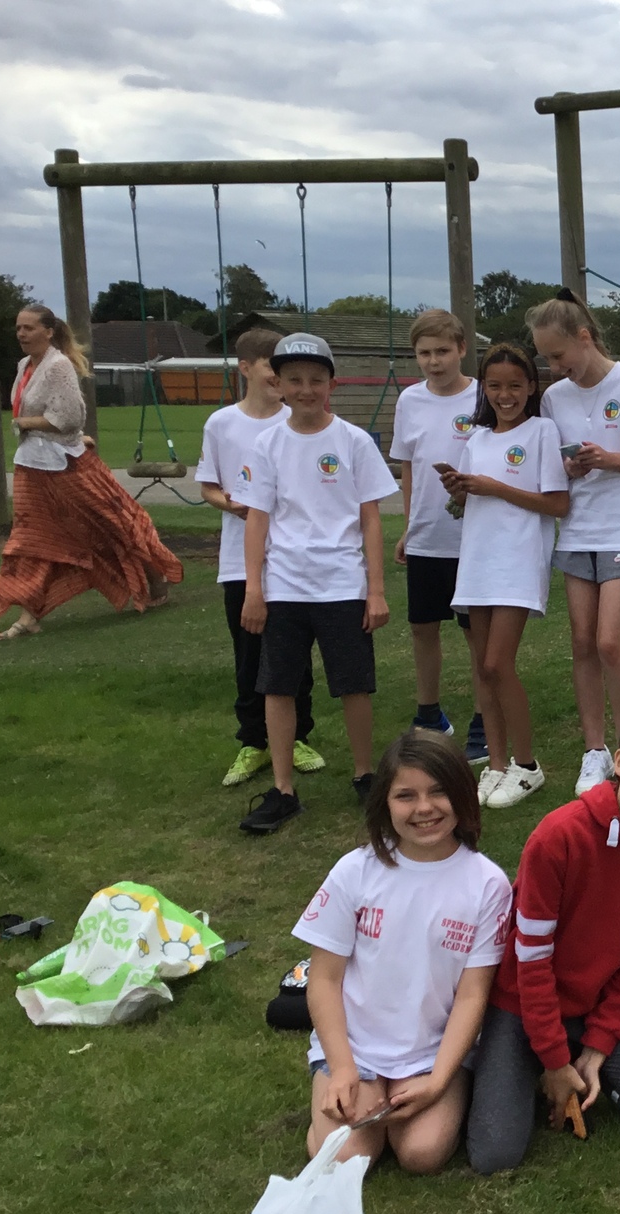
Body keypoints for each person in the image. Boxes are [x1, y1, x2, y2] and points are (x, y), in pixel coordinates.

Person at [466, 714, 620, 1174]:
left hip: (591, 1005)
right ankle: (497, 1059)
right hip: (520, 1004)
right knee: (495, 1154)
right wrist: (555, 1063)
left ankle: (572, 1061)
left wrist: (597, 1048)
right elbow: (531, 962)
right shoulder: (559, 835)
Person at [298, 732, 510, 1173]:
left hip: (431, 1052)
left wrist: (438, 1080)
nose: (424, 808)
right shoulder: (355, 871)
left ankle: (436, 1094)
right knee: (347, 1157)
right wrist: (343, 1069)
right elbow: (324, 980)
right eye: (406, 795)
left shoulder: (488, 884)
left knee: (421, 1153)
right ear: (385, 803)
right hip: (356, 1049)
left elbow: (473, 995)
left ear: (463, 795)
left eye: (438, 792)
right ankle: (336, 1097)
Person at [237, 333, 399, 834]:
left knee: (354, 683)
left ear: (332, 383)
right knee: (278, 685)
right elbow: (257, 519)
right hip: (284, 586)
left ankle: (365, 776)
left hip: (342, 584)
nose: (305, 390)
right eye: (294, 380)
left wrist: (375, 590)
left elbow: (370, 518)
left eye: (315, 380)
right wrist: (254, 588)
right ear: (279, 384)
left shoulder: (353, 441)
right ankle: (283, 790)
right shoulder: (267, 444)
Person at [529, 291, 620, 795]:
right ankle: (594, 751)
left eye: (558, 355)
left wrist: (608, 459)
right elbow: (557, 465)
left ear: (584, 337)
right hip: (577, 530)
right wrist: (571, 466)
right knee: (581, 642)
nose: (554, 368)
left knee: (610, 642)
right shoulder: (555, 397)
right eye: (547, 359)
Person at [0, 304, 183, 641]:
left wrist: (25, 423)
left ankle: (155, 575)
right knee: (34, 540)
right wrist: (39, 428)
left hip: (65, 465)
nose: (21, 334)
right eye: (18, 328)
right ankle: (29, 616)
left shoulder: (58, 366)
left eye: (28, 328)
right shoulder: (24, 366)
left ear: (48, 331)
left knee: (112, 524)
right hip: (31, 466)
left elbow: (68, 418)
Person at [439, 344, 571, 810]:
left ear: (532, 386)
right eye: (494, 386)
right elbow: (467, 503)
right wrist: (459, 490)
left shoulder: (542, 431)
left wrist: (495, 487)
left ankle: (527, 765)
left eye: (515, 385)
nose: (505, 395)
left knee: (498, 664)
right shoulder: (476, 440)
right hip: (477, 560)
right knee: (482, 668)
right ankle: (496, 766)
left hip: (517, 561)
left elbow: (557, 503)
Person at [197, 327, 326, 788]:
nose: (280, 374)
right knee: (249, 654)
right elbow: (209, 487)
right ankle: (253, 741)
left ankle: (298, 737)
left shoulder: (299, 421)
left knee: (294, 655)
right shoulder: (222, 423)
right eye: (273, 364)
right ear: (246, 368)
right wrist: (232, 503)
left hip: (291, 562)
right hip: (240, 561)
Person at [388, 309, 486, 759]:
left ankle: (483, 720)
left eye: (442, 351)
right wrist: (409, 526)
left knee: (476, 633)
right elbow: (409, 468)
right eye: (424, 353)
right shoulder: (409, 400)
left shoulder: (483, 397)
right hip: (427, 536)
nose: (433, 361)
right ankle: (429, 714)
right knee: (422, 627)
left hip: (474, 537)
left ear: (462, 349)